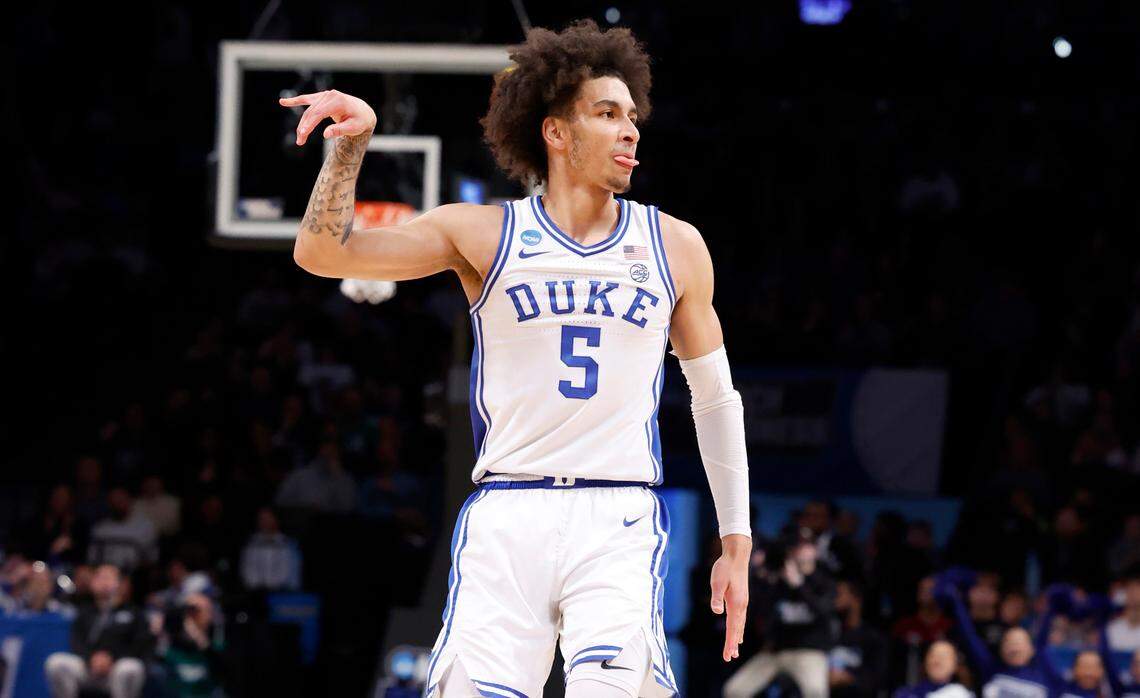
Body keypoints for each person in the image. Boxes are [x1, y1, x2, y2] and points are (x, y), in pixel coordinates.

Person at [282, 17, 751, 698]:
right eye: (607, 114)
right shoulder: (484, 232)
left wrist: (734, 539)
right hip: (509, 512)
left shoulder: (675, 246)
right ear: (556, 133)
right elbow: (322, 253)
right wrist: (350, 148)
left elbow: (714, 399)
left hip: (616, 517)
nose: (631, 131)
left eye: (632, 116)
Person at [723, 538, 835, 698]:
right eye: (797, 548)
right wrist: (761, 576)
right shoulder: (778, 579)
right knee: (734, 691)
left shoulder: (824, 580)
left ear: (814, 551)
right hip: (775, 652)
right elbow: (757, 612)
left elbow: (824, 613)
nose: (800, 553)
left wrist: (799, 585)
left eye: (805, 547)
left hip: (809, 652)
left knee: (816, 692)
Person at [44, 564, 153, 698]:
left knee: (130, 668)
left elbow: (140, 645)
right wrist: (91, 659)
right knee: (56, 663)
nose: (103, 582)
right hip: (89, 667)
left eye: (108, 578)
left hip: (116, 668)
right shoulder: (85, 612)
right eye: (99, 577)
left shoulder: (134, 613)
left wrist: (112, 659)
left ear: (119, 584)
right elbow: (77, 642)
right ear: (92, 583)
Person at [827, 579, 888, 698]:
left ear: (856, 600)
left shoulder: (873, 638)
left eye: (839, 594)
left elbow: (877, 678)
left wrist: (848, 678)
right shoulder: (827, 634)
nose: (834, 600)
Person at [893, 641, 973, 698]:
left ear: (956, 665)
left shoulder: (961, 694)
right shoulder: (905, 693)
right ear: (925, 661)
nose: (937, 661)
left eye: (944, 657)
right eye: (933, 655)